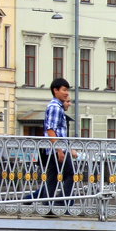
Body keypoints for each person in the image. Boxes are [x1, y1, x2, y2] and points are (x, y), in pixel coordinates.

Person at [41, 77, 75, 212]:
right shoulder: (55, 107)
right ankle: (62, 204)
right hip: (57, 149)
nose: (66, 93)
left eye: (67, 90)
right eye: (64, 90)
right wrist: (59, 150)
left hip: (54, 149)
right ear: (56, 90)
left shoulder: (56, 106)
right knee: (71, 175)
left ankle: (47, 205)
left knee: (52, 178)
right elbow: (51, 129)